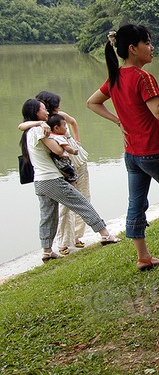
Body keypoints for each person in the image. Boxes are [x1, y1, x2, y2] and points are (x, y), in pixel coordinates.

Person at [87, 24, 159, 271]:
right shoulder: (143, 78)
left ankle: (143, 257)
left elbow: (92, 102)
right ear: (133, 48)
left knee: (136, 203)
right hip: (156, 151)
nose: (152, 48)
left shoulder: (116, 77)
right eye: (147, 43)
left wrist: (118, 120)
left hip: (132, 154)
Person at [19, 99, 120, 262]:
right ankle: (105, 234)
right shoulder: (39, 130)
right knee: (81, 203)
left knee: (48, 216)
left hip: (40, 182)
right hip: (52, 179)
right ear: (36, 112)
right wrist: (61, 142)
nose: (46, 112)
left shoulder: (29, 131)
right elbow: (58, 150)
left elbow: (22, 126)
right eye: (43, 109)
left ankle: (47, 251)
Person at [19, 91, 91, 255]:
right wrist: (37, 123)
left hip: (77, 158)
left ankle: (77, 236)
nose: (58, 108)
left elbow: (73, 122)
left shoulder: (59, 116)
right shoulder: (41, 124)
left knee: (84, 196)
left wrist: (77, 140)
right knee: (67, 204)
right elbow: (22, 126)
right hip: (64, 165)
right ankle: (63, 241)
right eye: (55, 105)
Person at [46, 114, 78, 184]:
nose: (66, 128)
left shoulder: (51, 136)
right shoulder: (60, 137)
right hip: (63, 160)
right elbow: (67, 149)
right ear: (56, 128)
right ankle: (73, 184)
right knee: (72, 174)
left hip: (56, 160)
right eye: (64, 125)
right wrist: (74, 151)